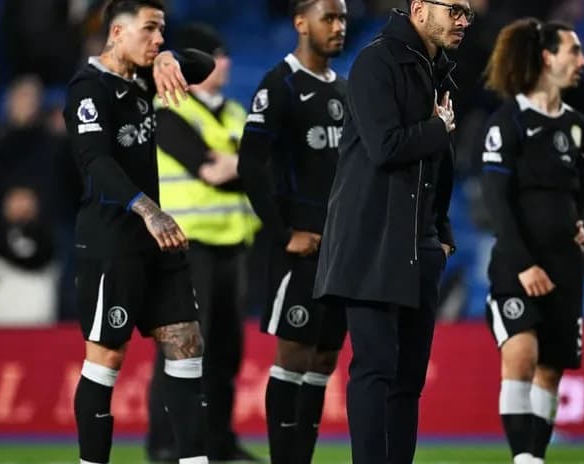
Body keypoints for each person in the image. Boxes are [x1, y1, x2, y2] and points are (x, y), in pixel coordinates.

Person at [312, 1, 470, 462]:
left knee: (408, 380)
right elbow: (385, 146)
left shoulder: (438, 72)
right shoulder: (375, 62)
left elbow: (438, 166)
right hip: (372, 241)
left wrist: (441, 232)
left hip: (420, 244)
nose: (463, 20)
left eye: (468, 13)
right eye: (454, 10)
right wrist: (438, 128)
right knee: (376, 369)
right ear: (419, 9)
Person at [62, 1, 215, 463]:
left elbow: (203, 65)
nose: (158, 38)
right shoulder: (88, 88)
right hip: (111, 242)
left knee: (187, 346)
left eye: (162, 30)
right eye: (150, 29)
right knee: (106, 359)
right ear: (116, 33)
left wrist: (170, 58)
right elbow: (96, 162)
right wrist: (149, 210)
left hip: (157, 244)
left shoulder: (145, 76)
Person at [236, 1, 348, 462]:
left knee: (324, 359)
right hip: (300, 249)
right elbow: (250, 164)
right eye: (329, 18)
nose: (339, 27)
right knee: (295, 355)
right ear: (301, 23)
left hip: (338, 250)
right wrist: (283, 234)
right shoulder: (279, 85)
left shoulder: (343, 89)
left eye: (343, 18)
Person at [145, 24, 261, 463]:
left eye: (225, 54)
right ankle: (166, 444)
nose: (225, 62)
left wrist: (242, 164)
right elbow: (210, 170)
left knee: (226, 352)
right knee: (183, 349)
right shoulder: (168, 109)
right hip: (185, 247)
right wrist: (249, 163)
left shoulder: (234, 112)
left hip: (233, 245)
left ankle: (219, 443)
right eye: (216, 54)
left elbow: (255, 169)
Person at [479, 19, 584, 464]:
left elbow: (579, 186)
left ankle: (534, 457)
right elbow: (496, 199)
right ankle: (523, 458)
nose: (582, 61)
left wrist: (579, 221)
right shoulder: (508, 121)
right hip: (517, 266)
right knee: (521, 354)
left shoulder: (577, 126)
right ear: (547, 57)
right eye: (574, 51)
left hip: (564, 266)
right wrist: (524, 263)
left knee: (550, 370)